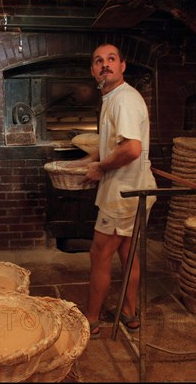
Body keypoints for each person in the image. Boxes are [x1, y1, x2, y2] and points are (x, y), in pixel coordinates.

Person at [71, 43, 157, 339]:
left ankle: (91, 320)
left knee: (100, 253)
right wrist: (89, 161)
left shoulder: (123, 100)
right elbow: (115, 144)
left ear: (122, 66)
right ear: (93, 71)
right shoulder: (114, 98)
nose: (104, 64)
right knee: (127, 252)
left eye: (111, 59)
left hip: (124, 192)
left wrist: (100, 168)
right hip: (134, 189)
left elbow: (132, 148)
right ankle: (130, 313)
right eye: (98, 61)